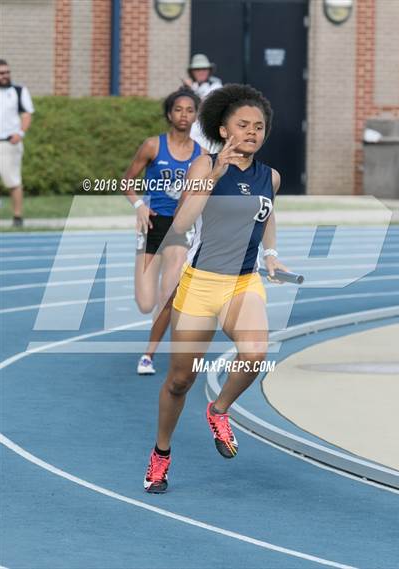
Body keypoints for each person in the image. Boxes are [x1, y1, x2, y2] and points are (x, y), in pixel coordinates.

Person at [144, 84, 289, 493]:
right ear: (223, 129)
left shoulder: (270, 177)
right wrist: (216, 173)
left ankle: (219, 409)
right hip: (201, 283)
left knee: (256, 353)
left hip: (243, 283)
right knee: (179, 381)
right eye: (242, 124)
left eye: (258, 126)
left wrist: (272, 253)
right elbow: (183, 222)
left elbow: (267, 215)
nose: (251, 132)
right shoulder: (202, 166)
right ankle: (161, 454)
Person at [124, 88, 204, 375]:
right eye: (179, 109)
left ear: (196, 115)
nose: (184, 115)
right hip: (151, 225)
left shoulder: (201, 154)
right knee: (146, 303)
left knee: (169, 293)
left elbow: (206, 192)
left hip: (180, 228)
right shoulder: (152, 146)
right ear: (170, 114)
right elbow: (127, 182)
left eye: (190, 110)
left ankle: (148, 355)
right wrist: (139, 206)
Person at [0, 59, 34, 227]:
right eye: (1, 73)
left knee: (13, 180)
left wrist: (20, 134)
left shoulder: (18, 91)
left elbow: (27, 114)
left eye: (7, 72)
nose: (5, 76)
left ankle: (17, 216)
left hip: (8, 143)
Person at [182, 54, 222, 152]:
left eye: (204, 69)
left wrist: (191, 88)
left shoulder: (216, 86)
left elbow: (205, 104)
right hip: (190, 136)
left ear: (209, 71)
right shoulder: (190, 87)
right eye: (197, 69)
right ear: (192, 72)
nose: (201, 72)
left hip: (207, 138)